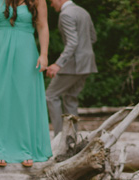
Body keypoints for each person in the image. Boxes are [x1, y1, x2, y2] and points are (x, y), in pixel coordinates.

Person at [0, 0, 52, 168]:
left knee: (23, 100)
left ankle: (25, 149)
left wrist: (44, 54)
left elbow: (43, 26)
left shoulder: (37, 1)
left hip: (25, 51)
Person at [45, 0, 97, 136]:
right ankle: (71, 139)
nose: (51, 5)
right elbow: (93, 38)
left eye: (51, 2)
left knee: (51, 95)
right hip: (87, 63)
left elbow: (72, 43)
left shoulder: (66, 14)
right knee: (71, 97)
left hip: (74, 64)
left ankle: (59, 136)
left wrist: (58, 64)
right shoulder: (83, 11)